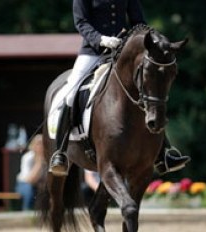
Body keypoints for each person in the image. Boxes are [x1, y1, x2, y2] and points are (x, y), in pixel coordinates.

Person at [49, 0, 190, 176]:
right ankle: (60, 152)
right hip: (93, 51)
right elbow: (81, 22)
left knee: (148, 92)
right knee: (70, 93)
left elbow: (138, 22)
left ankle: (164, 153)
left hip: (124, 52)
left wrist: (153, 39)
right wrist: (101, 39)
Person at [15, 134, 45, 210]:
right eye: (38, 143)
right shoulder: (27, 157)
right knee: (29, 189)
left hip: (40, 184)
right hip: (23, 184)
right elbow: (29, 180)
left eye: (43, 143)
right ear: (33, 145)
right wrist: (39, 163)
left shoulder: (48, 158)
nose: (41, 146)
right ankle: (26, 212)